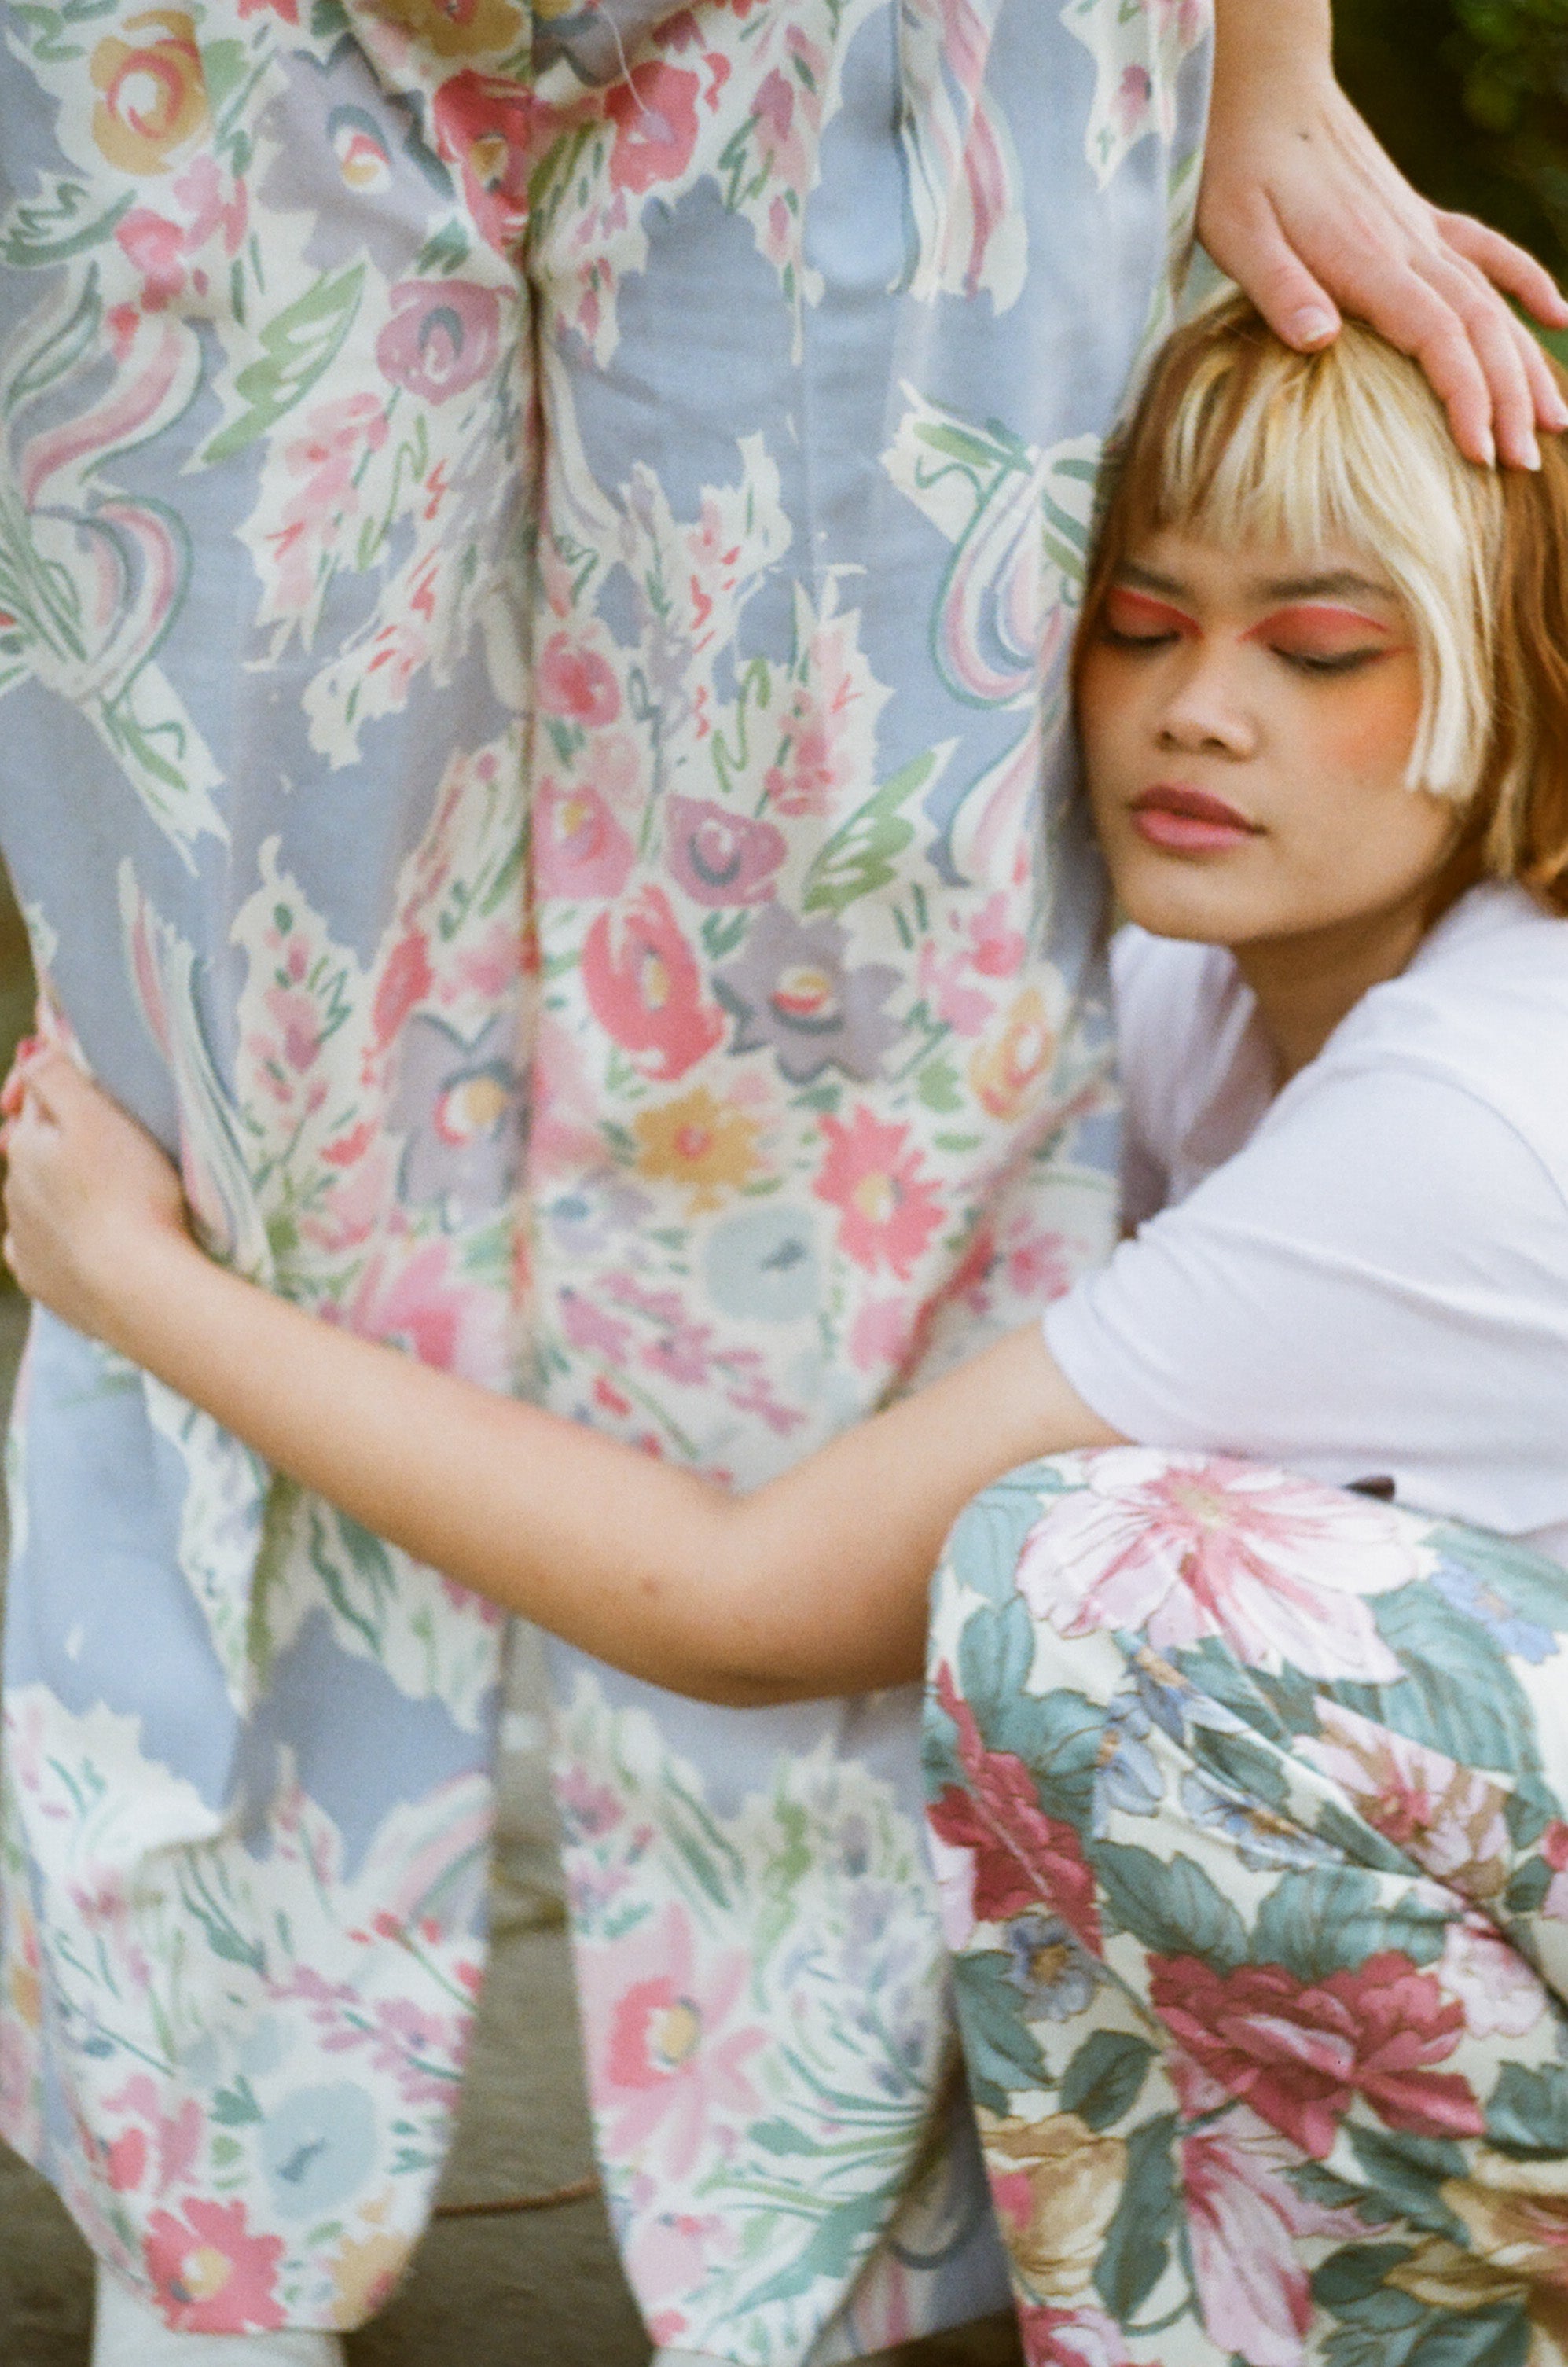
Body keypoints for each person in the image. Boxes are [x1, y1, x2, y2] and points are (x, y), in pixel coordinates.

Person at [3, 6, 1567, 2364]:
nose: (1194, 710)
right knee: (260, 1036)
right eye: (1132, 623)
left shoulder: (1456, 1113)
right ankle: (217, 2167)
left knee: (1079, 1565)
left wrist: (126, 1278)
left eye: (1321, 650)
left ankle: (1007, 2250)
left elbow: (752, 1599)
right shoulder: (1216, 989)